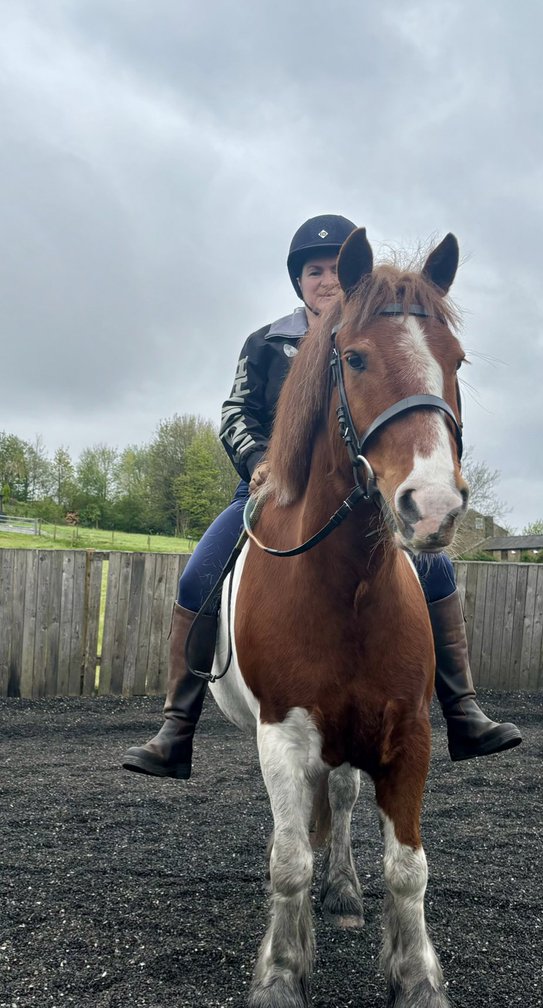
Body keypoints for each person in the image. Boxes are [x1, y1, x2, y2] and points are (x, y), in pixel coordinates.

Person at [122, 215, 521, 779]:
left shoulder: (376, 333)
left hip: (360, 494)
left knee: (436, 572)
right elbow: (236, 413)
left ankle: (462, 709)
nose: (325, 279)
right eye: (314, 270)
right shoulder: (266, 342)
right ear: (299, 281)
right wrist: (259, 463)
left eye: (336, 269)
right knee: (198, 577)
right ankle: (176, 727)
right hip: (273, 488)